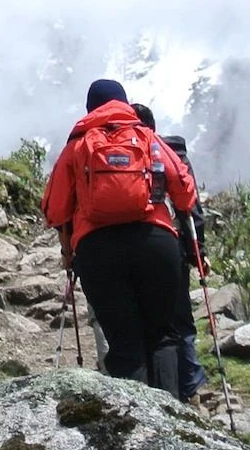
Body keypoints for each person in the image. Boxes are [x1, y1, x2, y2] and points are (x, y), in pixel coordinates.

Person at [43, 79, 199, 394]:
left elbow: (55, 209)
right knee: (163, 336)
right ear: (125, 103)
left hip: (98, 249)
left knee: (125, 342)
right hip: (156, 241)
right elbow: (184, 190)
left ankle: (136, 427)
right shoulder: (148, 137)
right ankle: (172, 417)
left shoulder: (79, 143)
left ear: (90, 108)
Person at [134, 104, 210, 400]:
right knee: (179, 320)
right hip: (172, 247)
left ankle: (150, 388)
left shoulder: (121, 155)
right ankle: (187, 387)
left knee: (144, 320)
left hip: (134, 248)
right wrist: (197, 252)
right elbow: (191, 209)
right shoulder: (171, 155)